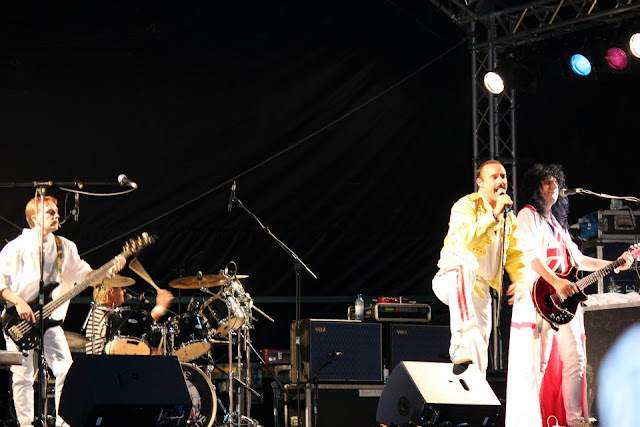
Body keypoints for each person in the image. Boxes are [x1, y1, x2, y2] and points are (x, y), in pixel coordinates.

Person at [504, 163, 634, 427]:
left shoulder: (558, 225)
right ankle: (532, 420)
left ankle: (576, 421)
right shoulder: (528, 215)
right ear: (535, 188)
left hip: (566, 304)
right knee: (539, 363)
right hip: (540, 300)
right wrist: (556, 282)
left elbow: (580, 260)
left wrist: (616, 264)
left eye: (556, 182)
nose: (554, 187)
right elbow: (530, 256)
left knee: (576, 359)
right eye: (547, 182)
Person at [0, 195, 126, 427]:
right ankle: (26, 424)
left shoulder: (65, 247)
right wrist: (18, 302)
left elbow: (86, 276)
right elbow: (1, 285)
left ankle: (63, 422)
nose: (57, 215)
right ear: (35, 218)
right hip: (19, 322)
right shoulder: (14, 248)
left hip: (52, 323)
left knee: (67, 371)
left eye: (57, 211)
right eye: (50, 212)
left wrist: (108, 270)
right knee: (22, 376)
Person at [431, 159, 531, 375]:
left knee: (477, 354)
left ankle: (474, 391)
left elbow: (516, 256)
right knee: (464, 269)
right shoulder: (466, 205)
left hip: (481, 290)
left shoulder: (509, 219)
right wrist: (492, 215)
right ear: (480, 182)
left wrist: (521, 282)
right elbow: (464, 240)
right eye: (494, 176)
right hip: (451, 276)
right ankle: (458, 342)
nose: (500, 180)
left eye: (503, 176)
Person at [84, 282, 173, 355]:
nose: (125, 291)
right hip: (100, 365)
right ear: (111, 291)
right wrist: (160, 308)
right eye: (122, 288)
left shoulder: (104, 312)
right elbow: (132, 330)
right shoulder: (102, 312)